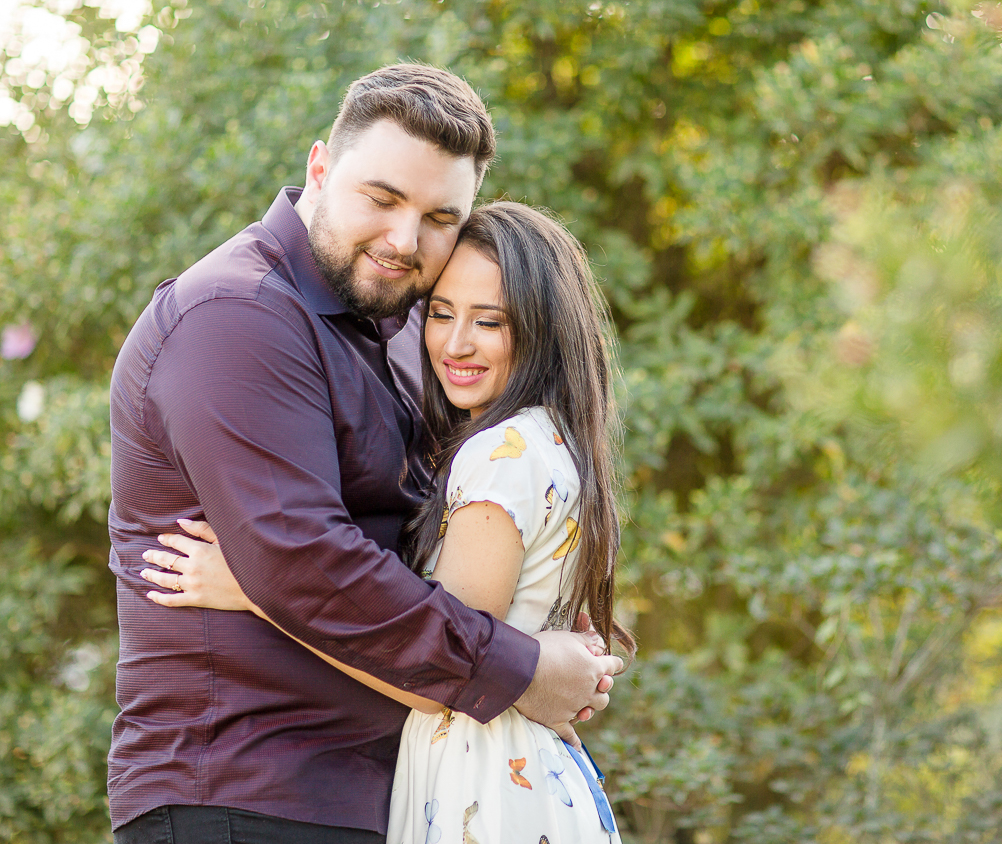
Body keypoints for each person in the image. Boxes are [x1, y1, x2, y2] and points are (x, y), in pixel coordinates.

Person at [107, 63, 623, 844]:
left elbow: (437, 550)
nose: (405, 240)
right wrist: (523, 670)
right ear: (320, 167)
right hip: (248, 793)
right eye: (382, 200)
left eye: (440, 217)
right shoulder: (237, 318)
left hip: (378, 797)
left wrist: (550, 629)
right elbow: (304, 564)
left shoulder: (399, 331)